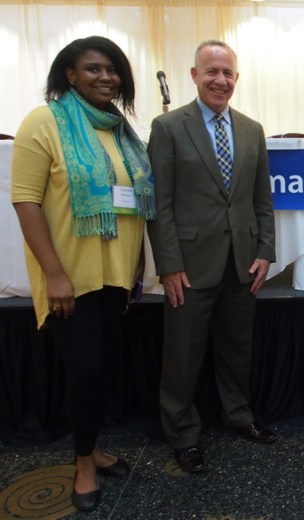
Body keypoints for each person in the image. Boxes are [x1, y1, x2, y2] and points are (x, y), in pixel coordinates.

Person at [11, 36, 155, 511]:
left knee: (99, 367)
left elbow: (132, 203)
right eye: (93, 69)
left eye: (112, 70)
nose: (106, 77)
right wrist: (54, 273)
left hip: (113, 277)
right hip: (69, 279)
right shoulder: (45, 122)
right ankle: (83, 463)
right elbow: (26, 202)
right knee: (85, 370)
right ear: (69, 75)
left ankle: (92, 445)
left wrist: (135, 267)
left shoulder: (120, 130)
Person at [147, 40, 277, 475]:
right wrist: (168, 265)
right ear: (194, 74)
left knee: (237, 349)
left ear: (236, 79)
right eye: (212, 72)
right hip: (188, 265)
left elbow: (262, 200)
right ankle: (182, 434)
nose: (220, 80)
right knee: (182, 355)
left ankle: (238, 415)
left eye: (228, 73)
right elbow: (159, 205)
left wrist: (265, 252)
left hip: (242, 263)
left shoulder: (252, 129)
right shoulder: (167, 127)